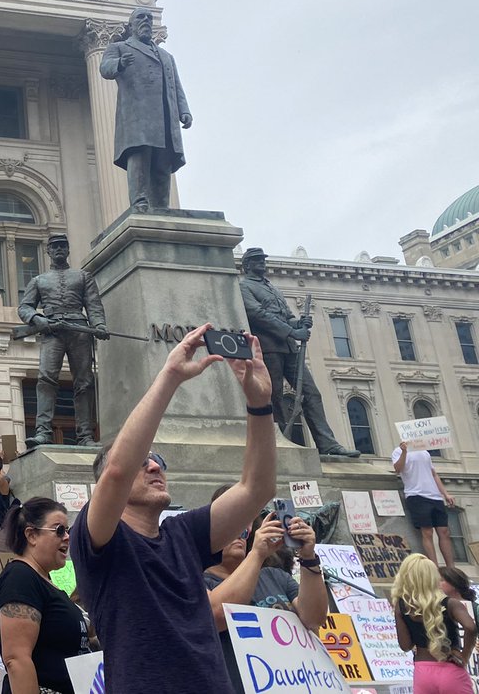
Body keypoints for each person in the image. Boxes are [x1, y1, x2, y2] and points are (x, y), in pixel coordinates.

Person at [70, 323, 276, 694]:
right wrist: (170, 376)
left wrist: (260, 404)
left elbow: (256, 488)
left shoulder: (183, 533)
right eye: (144, 461)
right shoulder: (98, 539)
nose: (155, 467)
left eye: (159, 460)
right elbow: (117, 471)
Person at [239, 246, 360, 457]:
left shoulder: (272, 288)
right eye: (257, 260)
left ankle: (327, 444)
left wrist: (299, 322)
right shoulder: (244, 287)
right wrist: (292, 332)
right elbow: (258, 315)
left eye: (263, 260)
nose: (262, 263)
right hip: (268, 348)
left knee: (311, 392)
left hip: (288, 348)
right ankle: (280, 444)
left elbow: (286, 315)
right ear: (247, 265)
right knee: (274, 397)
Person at [203, 496, 328, 694]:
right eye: (232, 530)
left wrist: (308, 557)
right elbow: (216, 615)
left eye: (244, 532)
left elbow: (315, 618)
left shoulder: (274, 576)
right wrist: (258, 554)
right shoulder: (198, 581)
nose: (239, 537)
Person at [17, 233, 109, 447]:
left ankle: (85, 435)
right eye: (55, 246)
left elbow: (94, 305)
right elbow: (24, 307)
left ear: (68, 250)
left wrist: (99, 326)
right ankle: (43, 433)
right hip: (52, 332)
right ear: (48, 251)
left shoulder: (83, 277)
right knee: (46, 379)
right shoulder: (38, 280)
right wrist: (37, 319)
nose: (59, 249)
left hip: (79, 330)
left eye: (63, 246)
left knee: (84, 382)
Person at [0, 498, 90, 694]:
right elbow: (16, 659)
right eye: (59, 530)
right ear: (31, 535)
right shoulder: (20, 578)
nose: (67, 537)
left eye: (68, 530)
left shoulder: (42, 580)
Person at [98, 6, 191, 212]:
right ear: (131, 25)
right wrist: (120, 64)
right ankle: (139, 201)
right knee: (140, 157)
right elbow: (105, 69)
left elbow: (176, 85)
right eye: (141, 17)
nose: (146, 21)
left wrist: (184, 110)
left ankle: (161, 206)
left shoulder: (166, 56)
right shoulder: (120, 47)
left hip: (165, 116)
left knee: (162, 163)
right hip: (137, 116)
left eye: (149, 18)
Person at [393, 553, 476, 693]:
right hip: (451, 669)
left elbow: (405, 645)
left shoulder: (401, 606)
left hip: (423, 672)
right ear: (433, 576)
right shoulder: (450, 603)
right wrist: (465, 656)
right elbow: (470, 627)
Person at [395, 440, 457, 568]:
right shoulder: (398, 451)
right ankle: (434, 567)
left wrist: (445, 493)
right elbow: (398, 469)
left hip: (434, 495)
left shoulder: (425, 452)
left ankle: (451, 568)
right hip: (416, 495)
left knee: (444, 531)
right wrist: (404, 452)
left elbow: (433, 474)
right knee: (427, 532)